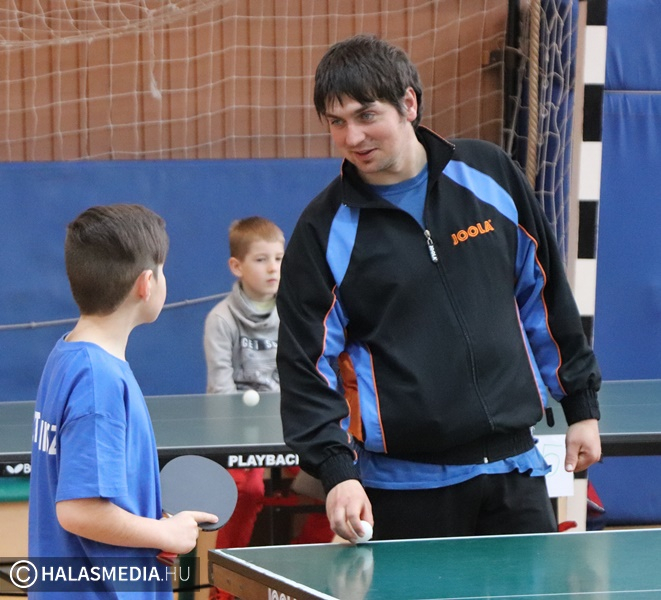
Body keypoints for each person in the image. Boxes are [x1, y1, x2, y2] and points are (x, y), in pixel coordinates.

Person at [276, 34, 602, 544]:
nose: (352, 137)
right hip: (404, 488)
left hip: (515, 473)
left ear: (408, 103)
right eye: (336, 123)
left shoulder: (489, 174)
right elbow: (306, 365)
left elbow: (544, 296)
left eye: (366, 115)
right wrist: (336, 470)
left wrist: (580, 406)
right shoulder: (323, 230)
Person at [28, 204, 216, 599]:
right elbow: (78, 510)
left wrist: (150, 522)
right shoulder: (100, 381)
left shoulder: (67, 355)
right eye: (162, 270)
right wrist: (164, 533)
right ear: (146, 284)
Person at [203, 217, 332, 600]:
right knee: (247, 490)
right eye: (261, 260)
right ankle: (226, 585)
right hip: (238, 436)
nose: (273, 268)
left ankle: (295, 577)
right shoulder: (221, 320)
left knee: (333, 482)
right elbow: (221, 392)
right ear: (237, 266)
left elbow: (311, 376)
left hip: (292, 428)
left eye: (279, 258)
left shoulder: (295, 313)